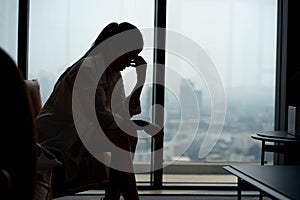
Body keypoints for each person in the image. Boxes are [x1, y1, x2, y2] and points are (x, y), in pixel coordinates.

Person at [35, 22, 161, 200]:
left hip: (82, 133)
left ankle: (113, 197)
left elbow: (122, 114)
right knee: (122, 136)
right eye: (129, 56)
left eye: (135, 58)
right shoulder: (87, 70)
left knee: (128, 135)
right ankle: (129, 198)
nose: (130, 63)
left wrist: (140, 81)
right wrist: (137, 125)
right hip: (61, 134)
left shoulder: (113, 74)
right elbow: (102, 117)